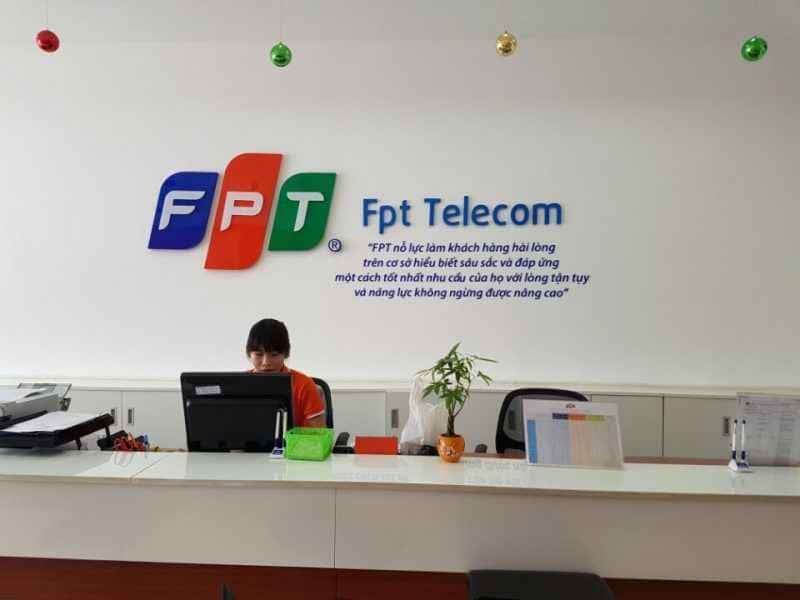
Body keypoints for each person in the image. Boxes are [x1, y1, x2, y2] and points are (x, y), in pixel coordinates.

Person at [246, 318, 326, 428]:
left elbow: (319, 432)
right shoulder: (240, 384)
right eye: (259, 354)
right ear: (249, 354)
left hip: (292, 439)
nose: (266, 362)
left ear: (285, 353)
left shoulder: (304, 385)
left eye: (274, 354)